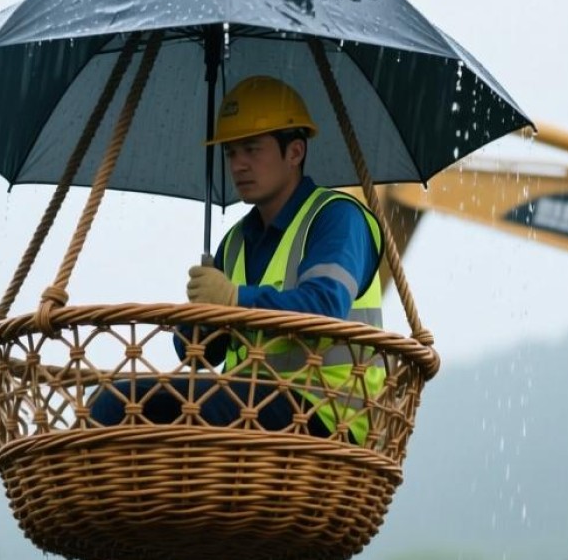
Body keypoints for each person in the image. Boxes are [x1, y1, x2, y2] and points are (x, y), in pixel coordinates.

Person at [88, 76, 385, 443]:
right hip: (249, 413)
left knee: (144, 402)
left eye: (251, 149)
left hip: (329, 417)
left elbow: (325, 308)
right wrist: (198, 320)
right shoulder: (234, 243)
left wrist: (234, 300)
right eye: (231, 153)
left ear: (295, 152)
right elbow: (197, 355)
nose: (239, 165)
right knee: (116, 403)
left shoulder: (336, 218)